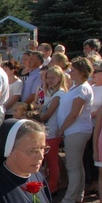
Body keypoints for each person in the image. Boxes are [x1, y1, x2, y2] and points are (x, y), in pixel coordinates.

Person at [55, 57, 94, 203]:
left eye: (74, 70)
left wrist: (62, 128)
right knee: (77, 165)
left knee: (72, 166)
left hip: (76, 130)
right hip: (74, 130)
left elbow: (74, 114)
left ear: (81, 72)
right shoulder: (76, 86)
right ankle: (78, 194)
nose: (71, 72)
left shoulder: (83, 88)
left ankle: (68, 200)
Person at [39, 66, 69, 194]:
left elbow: (47, 114)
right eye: (47, 77)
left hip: (53, 130)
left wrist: (31, 116)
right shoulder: (50, 92)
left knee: (52, 160)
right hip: (48, 129)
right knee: (52, 159)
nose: (49, 80)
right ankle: (57, 182)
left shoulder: (59, 94)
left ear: (59, 78)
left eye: (52, 78)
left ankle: (53, 186)